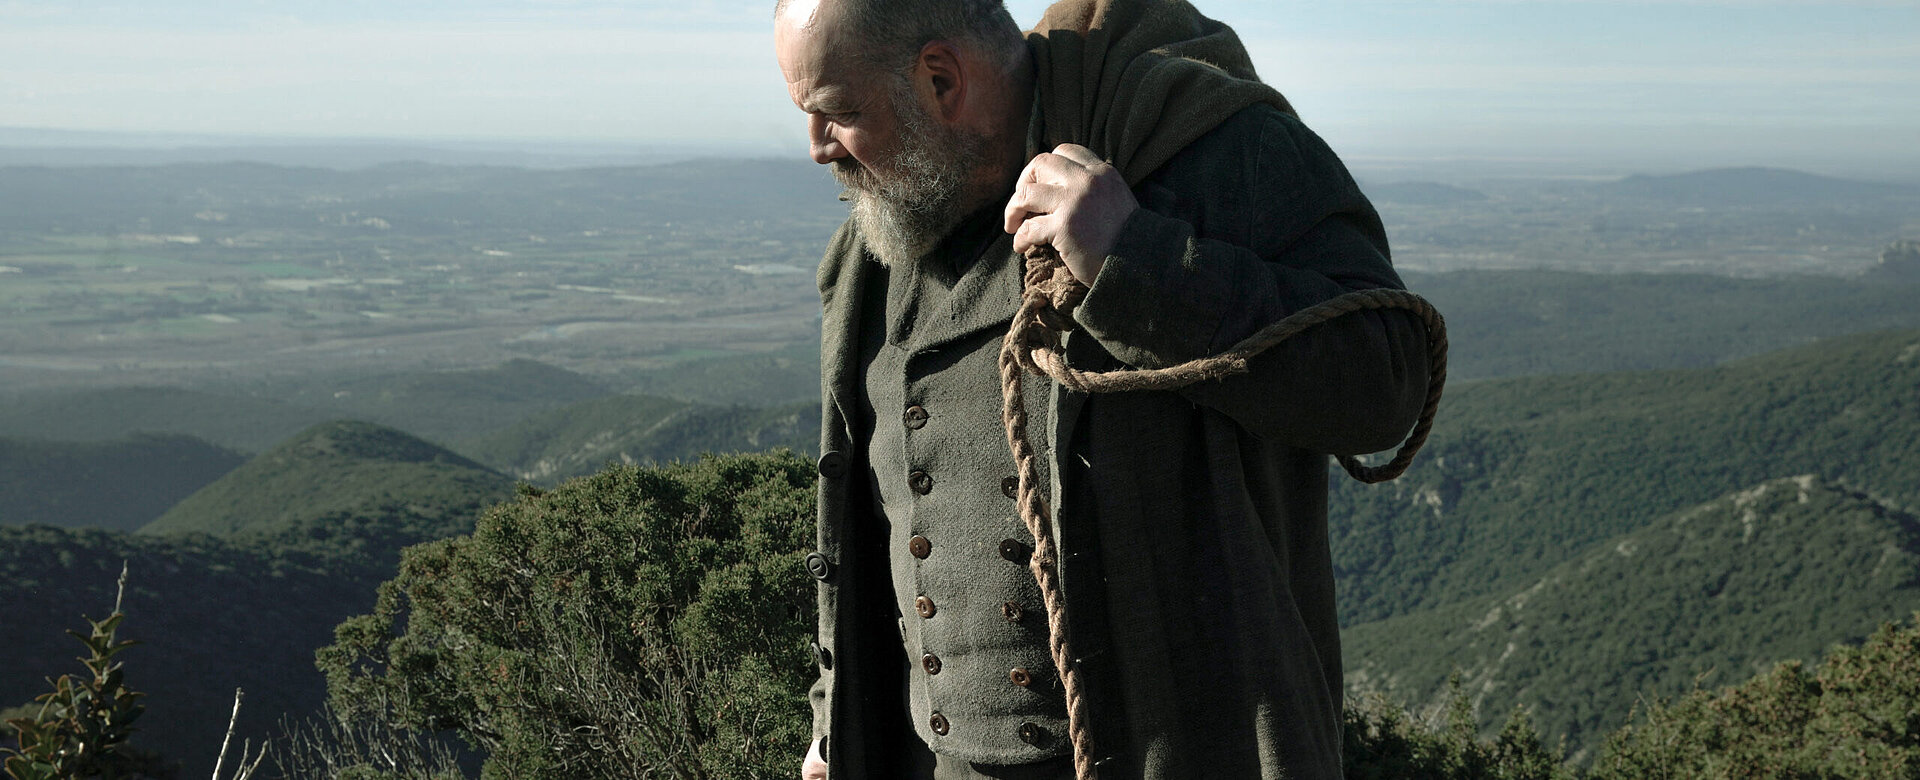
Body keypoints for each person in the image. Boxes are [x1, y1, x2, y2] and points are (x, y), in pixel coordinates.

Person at [773, 0, 1432, 777]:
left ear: (941, 78)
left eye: (837, 112)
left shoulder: (1204, 150)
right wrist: (835, 716)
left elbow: (1389, 380)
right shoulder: (880, 237)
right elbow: (874, 514)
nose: (816, 147)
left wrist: (1136, 258)